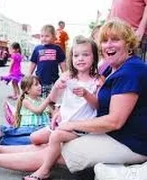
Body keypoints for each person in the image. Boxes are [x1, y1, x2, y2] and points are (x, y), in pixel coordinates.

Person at [0, 19, 147, 179]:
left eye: (115, 40)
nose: (108, 45)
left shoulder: (131, 70)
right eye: (105, 41)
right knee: (50, 143)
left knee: (56, 151)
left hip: (128, 142)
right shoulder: (110, 68)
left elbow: (115, 121)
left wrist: (72, 125)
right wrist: (57, 110)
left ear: (129, 44)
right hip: (110, 134)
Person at [26, 35, 102, 179]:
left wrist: (86, 94)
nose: (80, 59)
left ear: (94, 57)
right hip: (63, 122)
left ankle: (45, 169)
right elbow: (53, 99)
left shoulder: (97, 80)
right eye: (76, 55)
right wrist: (56, 87)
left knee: (55, 136)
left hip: (81, 128)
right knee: (34, 138)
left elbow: (98, 106)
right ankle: (54, 152)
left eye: (85, 55)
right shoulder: (68, 76)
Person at [0, 75, 51, 147]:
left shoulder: (42, 100)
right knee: (16, 131)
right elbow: (37, 111)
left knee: (23, 140)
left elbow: (52, 112)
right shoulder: (26, 101)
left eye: (40, 84)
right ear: (27, 89)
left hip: (42, 128)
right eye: (36, 84)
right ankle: (0, 130)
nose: (40, 86)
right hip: (31, 127)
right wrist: (48, 100)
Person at [28, 24, 66, 98]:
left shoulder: (57, 48)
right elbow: (33, 62)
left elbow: (62, 62)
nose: (44, 38)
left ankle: (50, 108)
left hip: (53, 80)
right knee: (40, 98)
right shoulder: (37, 48)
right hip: (39, 80)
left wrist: (65, 74)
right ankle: (42, 109)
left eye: (47, 36)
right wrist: (29, 74)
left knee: (51, 99)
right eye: (42, 36)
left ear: (54, 37)